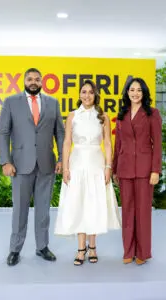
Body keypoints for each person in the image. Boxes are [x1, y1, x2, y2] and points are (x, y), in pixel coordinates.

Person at [0, 68, 65, 266]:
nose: (33, 82)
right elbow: (3, 133)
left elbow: (59, 133)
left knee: (43, 210)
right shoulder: (11, 102)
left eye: (37, 79)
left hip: (46, 164)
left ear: (42, 82)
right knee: (20, 210)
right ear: (24, 81)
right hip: (19, 165)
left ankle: (42, 247)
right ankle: (15, 249)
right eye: (30, 79)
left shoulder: (52, 103)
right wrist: (6, 161)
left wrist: (61, 158)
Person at [54, 79, 121, 266]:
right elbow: (67, 142)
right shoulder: (72, 116)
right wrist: (66, 167)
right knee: (79, 204)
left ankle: (93, 247)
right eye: (84, 92)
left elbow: (108, 143)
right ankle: (81, 249)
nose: (87, 95)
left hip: (96, 164)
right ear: (79, 95)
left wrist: (109, 167)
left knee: (94, 205)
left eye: (91, 92)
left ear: (96, 95)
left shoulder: (103, 116)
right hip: (76, 164)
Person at [112, 77, 162, 265]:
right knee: (127, 211)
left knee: (142, 213)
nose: (135, 93)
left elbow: (157, 144)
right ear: (127, 92)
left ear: (144, 93)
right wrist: (115, 169)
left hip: (144, 169)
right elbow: (118, 145)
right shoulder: (122, 114)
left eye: (139, 90)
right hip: (125, 169)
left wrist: (155, 170)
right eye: (132, 90)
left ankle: (142, 252)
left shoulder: (152, 114)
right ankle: (128, 251)